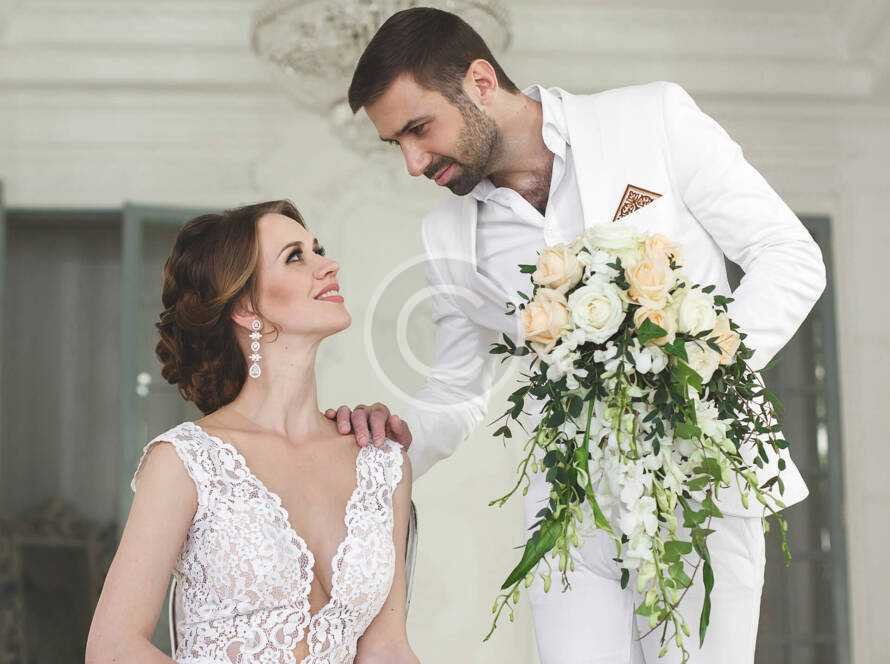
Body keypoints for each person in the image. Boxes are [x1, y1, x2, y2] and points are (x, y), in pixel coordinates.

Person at [329, 7, 827, 664]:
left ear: (480, 81)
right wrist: (364, 453)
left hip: (700, 490)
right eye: (396, 144)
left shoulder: (653, 118)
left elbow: (788, 256)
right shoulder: (446, 237)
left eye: (419, 130)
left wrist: (693, 371)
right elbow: (455, 393)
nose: (413, 164)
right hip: (570, 517)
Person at [86, 200, 420, 664]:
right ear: (245, 307)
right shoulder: (186, 461)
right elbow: (112, 648)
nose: (328, 266)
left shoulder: (381, 461)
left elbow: (386, 648)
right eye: (295, 257)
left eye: (317, 250)